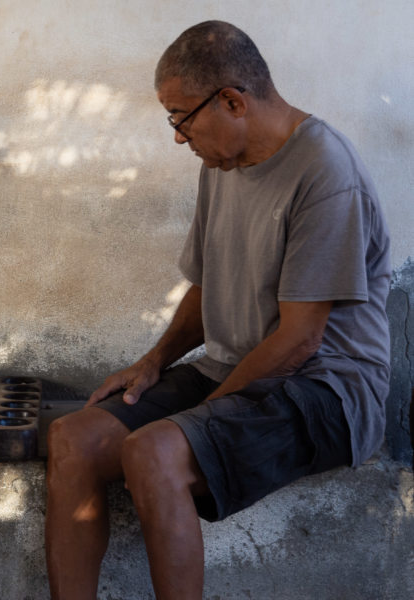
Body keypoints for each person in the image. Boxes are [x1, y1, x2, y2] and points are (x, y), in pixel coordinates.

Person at [45, 20, 390, 600]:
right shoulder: (221, 163)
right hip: (234, 369)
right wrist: (154, 360)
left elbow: (301, 339)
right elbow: (207, 288)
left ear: (232, 101)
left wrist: (198, 417)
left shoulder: (325, 171)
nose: (178, 136)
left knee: (154, 452)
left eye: (180, 117)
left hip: (326, 387)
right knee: (72, 440)